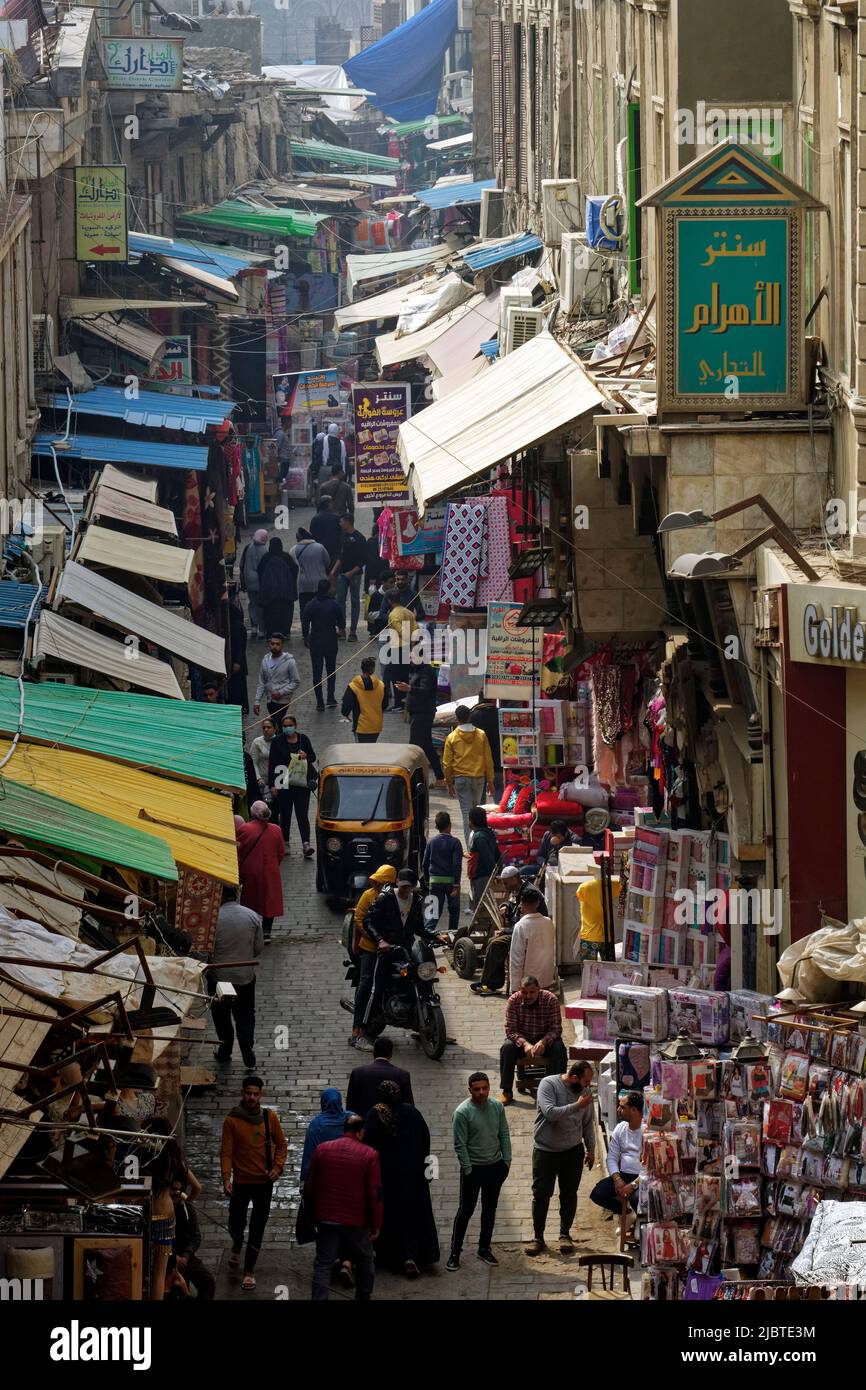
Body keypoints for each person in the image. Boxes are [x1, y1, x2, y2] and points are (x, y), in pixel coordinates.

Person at [363, 1080, 439, 1277]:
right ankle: (411, 1256)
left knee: (392, 1217)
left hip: (387, 1178)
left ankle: (392, 1257)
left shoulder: (374, 1115)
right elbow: (425, 1140)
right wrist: (427, 1170)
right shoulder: (412, 1113)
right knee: (413, 1216)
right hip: (413, 1176)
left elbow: (368, 1147)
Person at [305, 1113, 383, 1301]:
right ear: (360, 1132)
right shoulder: (370, 1154)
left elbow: (310, 1187)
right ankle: (363, 1296)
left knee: (324, 1263)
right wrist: (376, 1223)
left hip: (326, 1218)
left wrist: (312, 1215)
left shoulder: (322, 1150)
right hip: (357, 1221)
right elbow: (376, 1193)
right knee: (365, 1260)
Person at [221, 1075, 287, 1292]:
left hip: (263, 1183)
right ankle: (237, 1243)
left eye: (255, 1094)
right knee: (236, 1221)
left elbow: (281, 1145)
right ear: (243, 1093)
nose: (251, 1097)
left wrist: (277, 1168)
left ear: (261, 1095)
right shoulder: (232, 1121)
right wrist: (226, 1178)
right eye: (248, 1093)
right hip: (241, 1181)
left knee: (258, 1227)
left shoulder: (270, 1118)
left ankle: (249, 1271)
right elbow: (227, 1153)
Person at [528, 1061, 596, 1256]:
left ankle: (564, 1234)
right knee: (541, 1194)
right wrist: (577, 1105)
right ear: (574, 1077)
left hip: (572, 1151)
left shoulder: (585, 1093)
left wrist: (591, 1150)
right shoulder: (548, 1085)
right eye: (585, 1081)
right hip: (546, 1151)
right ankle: (538, 1237)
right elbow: (550, 1113)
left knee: (569, 1193)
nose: (587, 1086)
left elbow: (587, 1123)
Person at [448, 1071, 511, 1271]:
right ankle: (455, 1252)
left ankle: (484, 1248)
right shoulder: (462, 1112)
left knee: (489, 1210)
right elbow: (460, 1145)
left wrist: (506, 1162)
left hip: (495, 1166)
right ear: (470, 1090)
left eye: (485, 1088)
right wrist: (468, 1169)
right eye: (477, 1089)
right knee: (466, 1210)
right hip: (473, 1169)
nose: (482, 1092)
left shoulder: (497, 1107)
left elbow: (504, 1134)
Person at [142, 1120, 202, 1302]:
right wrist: (184, 1203)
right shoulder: (175, 1157)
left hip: (144, 1209)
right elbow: (197, 1187)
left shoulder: (143, 1153)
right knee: (160, 1272)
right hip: (165, 1210)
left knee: (142, 1262)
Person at [210, 883, 264, 1065]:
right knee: (246, 1012)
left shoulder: (213, 918)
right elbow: (258, 948)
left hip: (220, 977)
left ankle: (225, 1048)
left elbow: (206, 950)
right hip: (244, 976)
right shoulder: (252, 916)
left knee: (221, 1014)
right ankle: (246, 1043)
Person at [471, 871, 549, 996]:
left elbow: (525, 923)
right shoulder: (517, 889)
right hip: (520, 929)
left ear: (514, 879)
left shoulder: (528, 893)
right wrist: (506, 906)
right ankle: (492, 982)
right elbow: (513, 905)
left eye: (506, 882)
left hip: (527, 933)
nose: (505, 886)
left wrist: (506, 930)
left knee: (496, 944)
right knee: (493, 942)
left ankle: (489, 984)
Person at [349, 866, 398, 1050]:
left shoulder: (397, 898)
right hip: (370, 948)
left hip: (392, 948)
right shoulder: (368, 896)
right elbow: (360, 920)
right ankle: (357, 1032)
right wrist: (377, 938)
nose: (378, 885)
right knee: (367, 985)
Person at [499, 975, 568, 1104]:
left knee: (559, 1049)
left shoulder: (550, 999)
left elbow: (556, 1029)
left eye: (532, 992)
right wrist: (525, 1044)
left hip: (545, 1041)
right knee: (507, 1048)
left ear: (539, 990)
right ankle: (506, 1090)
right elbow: (510, 1030)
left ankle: (557, 1089)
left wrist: (543, 1042)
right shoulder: (513, 1001)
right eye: (524, 992)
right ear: (520, 990)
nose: (528, 996)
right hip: (522, 1041)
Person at [443, 706, 495, 841]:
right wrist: (490, 781)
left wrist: (448, 782)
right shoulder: (481, 734)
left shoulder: (452, 737)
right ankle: (479, 841)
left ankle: (471, 846)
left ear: (456, 718)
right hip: (479, 778)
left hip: (461, 779)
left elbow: (447, 763)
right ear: (470, 717)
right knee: (476, 811)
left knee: (467, 814)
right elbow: (488, 759)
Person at [268, 714, 316, 857]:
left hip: (301, 783)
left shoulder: (303, 739)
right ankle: (285, 842)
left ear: (295, 726)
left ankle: (306, 843)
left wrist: (306, 755)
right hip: (283, 782)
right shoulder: (277, 742)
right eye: (285, 726)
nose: (287, 728)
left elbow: (313, 757)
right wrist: (273, 785)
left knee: (302, 814)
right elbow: (273, 763)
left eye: (290, 725)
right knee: (286, 814)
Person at [236, 801, 285, 944]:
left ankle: (251, 930)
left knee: (251, 900)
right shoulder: (276, 830)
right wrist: (274, 865)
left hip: (251, 871)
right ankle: (267, 932)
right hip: (271, 871)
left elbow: (239, 851)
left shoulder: (245, 829)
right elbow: (281, 852)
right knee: (269, 901)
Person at [589, 1091, 643, 1217]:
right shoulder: (620, 1128)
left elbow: (649, 1169)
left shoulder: (645, 1132)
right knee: (598, 1193)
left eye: (622, 1107)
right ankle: (628, 1215)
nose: (618, 1109)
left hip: (641, 1180)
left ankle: (638, 1221)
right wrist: (617, 1179)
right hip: (623, 1175)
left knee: (636, 1199)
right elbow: (612, 1157)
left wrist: (632, 1185)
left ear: (634, 1110)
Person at [397, 660, 442, 779]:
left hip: (422, 714)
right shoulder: (417, 670)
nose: (410, 660)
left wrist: (410, 688)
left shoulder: (426, 672)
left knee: (414, 748)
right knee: (427, 746)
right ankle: (440, 776)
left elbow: (425, 691)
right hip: (419, 712)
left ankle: (411, 777)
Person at [171, 1178, 215, 1299]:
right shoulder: (160, 1208)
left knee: (208, 1282)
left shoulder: (187, 1208)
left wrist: (186, 1256)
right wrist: (174, 1258)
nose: (177, 1193)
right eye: (173, 1189)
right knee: (179, 1290)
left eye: (180, 1190)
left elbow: (196, 1236)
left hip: (185, 1257)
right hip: (167, 1257)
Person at [347, 1035, 414, 1111]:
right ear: (391, 1054)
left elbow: (350, 1105)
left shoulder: (358, 1073)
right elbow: (409, 1107)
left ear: (373, 1053)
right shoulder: (403, 1075)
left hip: (365, 1121)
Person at [422, 809, 462, 935]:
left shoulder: (431, 842)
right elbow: (457, 865)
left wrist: (428, 880)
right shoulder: (455, 843)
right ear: (450, 825)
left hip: (434, 883)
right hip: (451, 884)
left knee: (432, 913)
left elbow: (424, 863)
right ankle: (452, 935)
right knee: (454, 911)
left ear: (436, 827)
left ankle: (426, 938)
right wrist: (456, 884)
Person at [304, 577, 341, 710]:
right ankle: (330, 697)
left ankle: (319, 701)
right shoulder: (334, 604)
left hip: (316, 641)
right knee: (331, 670)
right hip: (330, 640)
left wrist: (305, 637)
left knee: (317, 672)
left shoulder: (310, 605)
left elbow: (305, 623)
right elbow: (341, 622)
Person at [509, 886, 557, 991]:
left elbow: (517, 959)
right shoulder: (548, 922)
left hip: (528, 983)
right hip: (546, 978)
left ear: (521, 904)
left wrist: (515, 987)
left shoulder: (521, 926)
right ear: (538, 903)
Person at [291, 527, 331, 646]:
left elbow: (293, 564)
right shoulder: (320, 547)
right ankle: (320, 632)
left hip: (304, 585)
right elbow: (327, 562)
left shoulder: (295, 549)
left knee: (305, 611)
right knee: (321, 609)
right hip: (320, 583)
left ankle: (305, 635)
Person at [300, 1087, 350, 1183]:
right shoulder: (351, 1118)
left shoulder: (316, 1124)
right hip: (348, 1169)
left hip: (325, 1173)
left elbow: (309, 1154)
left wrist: (304, 1181)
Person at [331, 513, 366, 640]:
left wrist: (351, 572)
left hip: (355, 575)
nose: (340, 524)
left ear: (347, 522)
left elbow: (362, 561)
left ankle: (353, 631)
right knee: (340, 601)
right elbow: (341, 555)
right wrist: (334, 570)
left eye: (341, 522)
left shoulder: (360, 538)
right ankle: (341, 629)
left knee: (355, 602)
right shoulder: (342, 536)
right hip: (342, 574)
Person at [257, 536, 298, 641]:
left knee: (270, 613)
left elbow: (260, 571)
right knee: (286, 612)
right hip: (286, 592)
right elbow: (295, 569)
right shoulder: (286, 557)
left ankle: (270, 633)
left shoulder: (266, 557)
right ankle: (285, 632)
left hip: (269, 593)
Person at [253, 631, 300, 724]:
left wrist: (281, 693)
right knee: (276, 724)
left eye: (277, 644)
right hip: (270, 700)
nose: (274, 646)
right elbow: (262, 682)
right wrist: (257, 701)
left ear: (282, 645)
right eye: (272, 644)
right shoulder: (265, 660)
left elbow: (296, 681)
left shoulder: (290, 662)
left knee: (278, 724)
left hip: (283, 701)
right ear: (269, 644)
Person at [576, 865, 619, 962]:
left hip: (589, 935)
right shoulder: (611, 884)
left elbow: (579, 896)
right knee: (609, 968)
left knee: (588, 969)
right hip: (606, 936)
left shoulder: (584, 887)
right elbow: (619, 886)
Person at [341, 656, 385, 743]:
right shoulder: (381, 685)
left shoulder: (353, 686)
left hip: (360, 726)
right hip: (376, 725)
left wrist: (345, 713)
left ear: (362, 668)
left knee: (361, 752)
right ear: (373, 669)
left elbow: (347, 704)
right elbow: (385, 704)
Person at [470, 691, 504, 799]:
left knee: (479, 800)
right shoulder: (500, 714)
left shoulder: (472, 716)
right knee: (499, 796)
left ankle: (480, 816)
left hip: (478, 765)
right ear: (493, 699)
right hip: (498, 763)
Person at [239, 528, 269, 638]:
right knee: (260, 605)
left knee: (252, 604)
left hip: (249, 581)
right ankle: (261, 629)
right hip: (259, 582)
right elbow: (265, 567)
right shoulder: (264, 549)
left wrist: (243, 581)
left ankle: (253, 628)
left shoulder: (248, 547)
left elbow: (242, 565)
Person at [467, 805, 499, 908]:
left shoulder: (479, 837)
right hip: (485, 875)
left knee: (480, 906)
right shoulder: (489, 833)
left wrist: (493, 875)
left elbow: (488, 858)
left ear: (472, 821)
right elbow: (497, 854)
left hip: (481, 876)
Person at [226, 593, 249, 713]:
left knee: (237, 686)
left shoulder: (236, 627)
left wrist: (236, 661)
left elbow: (240, 646)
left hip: (236, 662)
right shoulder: (238, 626)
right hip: (238, 662)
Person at [248, 717, 277, 799]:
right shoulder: (257, 742)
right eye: (264, 728)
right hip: (262, 782)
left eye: (269, 727)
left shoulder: (279, 741)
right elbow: (254, 762)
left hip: (277, 781)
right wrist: (258, 778)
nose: (266, 729)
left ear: (275, 729)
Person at [310, 495, 341, 564]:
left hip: (320, 549)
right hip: (334, 550)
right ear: (329, 504)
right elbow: (340, 534)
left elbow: (312, 535)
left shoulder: (316, 518)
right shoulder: (337, 517)